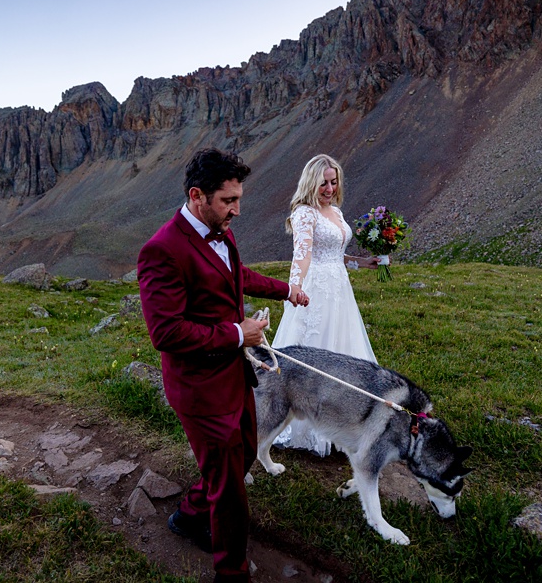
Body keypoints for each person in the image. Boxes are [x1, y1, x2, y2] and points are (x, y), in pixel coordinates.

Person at [137, 147, 308, 583]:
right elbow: (166, 333)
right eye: (228, 201)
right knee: (231, 491)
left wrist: (285, 290)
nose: (237, 209)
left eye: (238, 198)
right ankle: (232, 573)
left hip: (232, 377)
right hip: (199, 390)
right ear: (197, 196)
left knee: (245, 452)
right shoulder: (162, 251)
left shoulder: (220, 229)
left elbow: (237, 275)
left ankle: (191, 514)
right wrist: (238, 334)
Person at [271, 153, 381, 457]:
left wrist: (362, 263)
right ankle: (303, 426)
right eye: (323, 183)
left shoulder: (335, 211)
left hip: (339, 290)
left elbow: (334, 253)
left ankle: (343, 425)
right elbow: (303, 254)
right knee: (315, 349)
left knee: (344, 350)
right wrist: (295, 287)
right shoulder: (305, 213)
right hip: (316, 289)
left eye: (333, 182)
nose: (329, 188)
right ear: (312, 182)